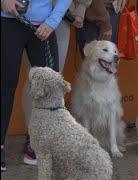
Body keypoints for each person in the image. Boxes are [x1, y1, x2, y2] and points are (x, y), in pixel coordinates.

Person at [1, 0, 72, 171]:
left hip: (43, 26)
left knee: (51, 88)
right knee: (5, 85)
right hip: (8, 21)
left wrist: (52, 22)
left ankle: (39, 147)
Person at [21, 0, 93, 166]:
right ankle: (32, 136)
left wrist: (80, 10)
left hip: (62, 20)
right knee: (34, 78)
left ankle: (49, 136)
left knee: (54, 78)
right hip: (34, 18)